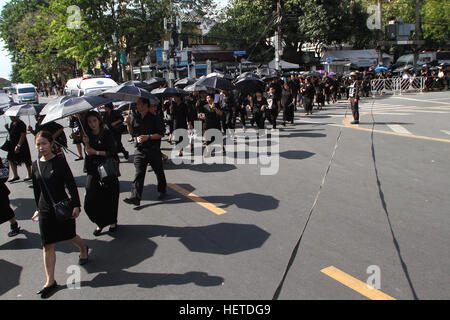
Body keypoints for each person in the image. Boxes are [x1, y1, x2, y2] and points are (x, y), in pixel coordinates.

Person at [31, 130, 88, 299]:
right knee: (47, 244)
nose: (41, 147)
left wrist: (76, 205)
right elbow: (37, 190)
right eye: (38, 144)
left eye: (44, 143)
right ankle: (50, 280)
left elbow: (70, 184)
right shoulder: (35, 165)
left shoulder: (60, 162)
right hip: (45, 209)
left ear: (51, 145)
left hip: (62, 205)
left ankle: (83, 248)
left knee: (69, 235)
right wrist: (37, 208)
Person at [124, 98, 167, 206]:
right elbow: (132, 133)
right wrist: (128, 124)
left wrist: (148, 137)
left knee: (159, 171)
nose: (137, 106)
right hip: (140, 150)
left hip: (153, 150)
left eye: (139, 104)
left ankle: (162, 189)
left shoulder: (155, 118)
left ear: (145, 106)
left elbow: (161, 134)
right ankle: (135, 197)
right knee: (139, 173)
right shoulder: (135, 117)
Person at [82, 111, 120, 236]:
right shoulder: (86, 135)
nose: (92, 124)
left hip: (107, 167)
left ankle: (112, 221)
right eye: (89, 122)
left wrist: (96, 152)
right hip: (93, 169)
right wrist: (86, 143)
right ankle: (100, 222)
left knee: (111, 196)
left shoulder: (107, 132)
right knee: (90, 200)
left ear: (99, 120)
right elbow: (88, 153)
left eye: (94, 120)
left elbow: (113, 152)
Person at [4, 116, 32, 182]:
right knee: (10, 158)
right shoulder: (12, 123)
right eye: (10, 117)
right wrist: (7, 129)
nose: (11, 118)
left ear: (18, 116)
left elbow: (23, 135)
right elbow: (11, 133)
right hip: (12, 144)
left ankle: (29, 174)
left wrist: (18, 145)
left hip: (21, 144)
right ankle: (15, 175)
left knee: (26, 159)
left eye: (13, 117)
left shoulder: (21, 124)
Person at [0, 157, 21, 237]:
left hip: (1, 192)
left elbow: (4, 176)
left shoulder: (3, 161)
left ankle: (14, 225)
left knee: (5, 210)